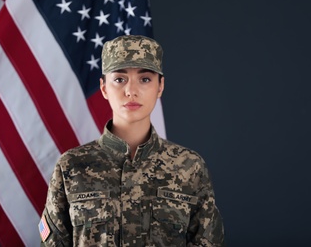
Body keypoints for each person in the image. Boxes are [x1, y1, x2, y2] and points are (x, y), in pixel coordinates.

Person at [38, 35, 225, 246]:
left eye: (145, 79)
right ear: (104, 88)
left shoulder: (189, 166)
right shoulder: (72, 166)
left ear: (160, 86)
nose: (131, 91)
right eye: (119, 79)